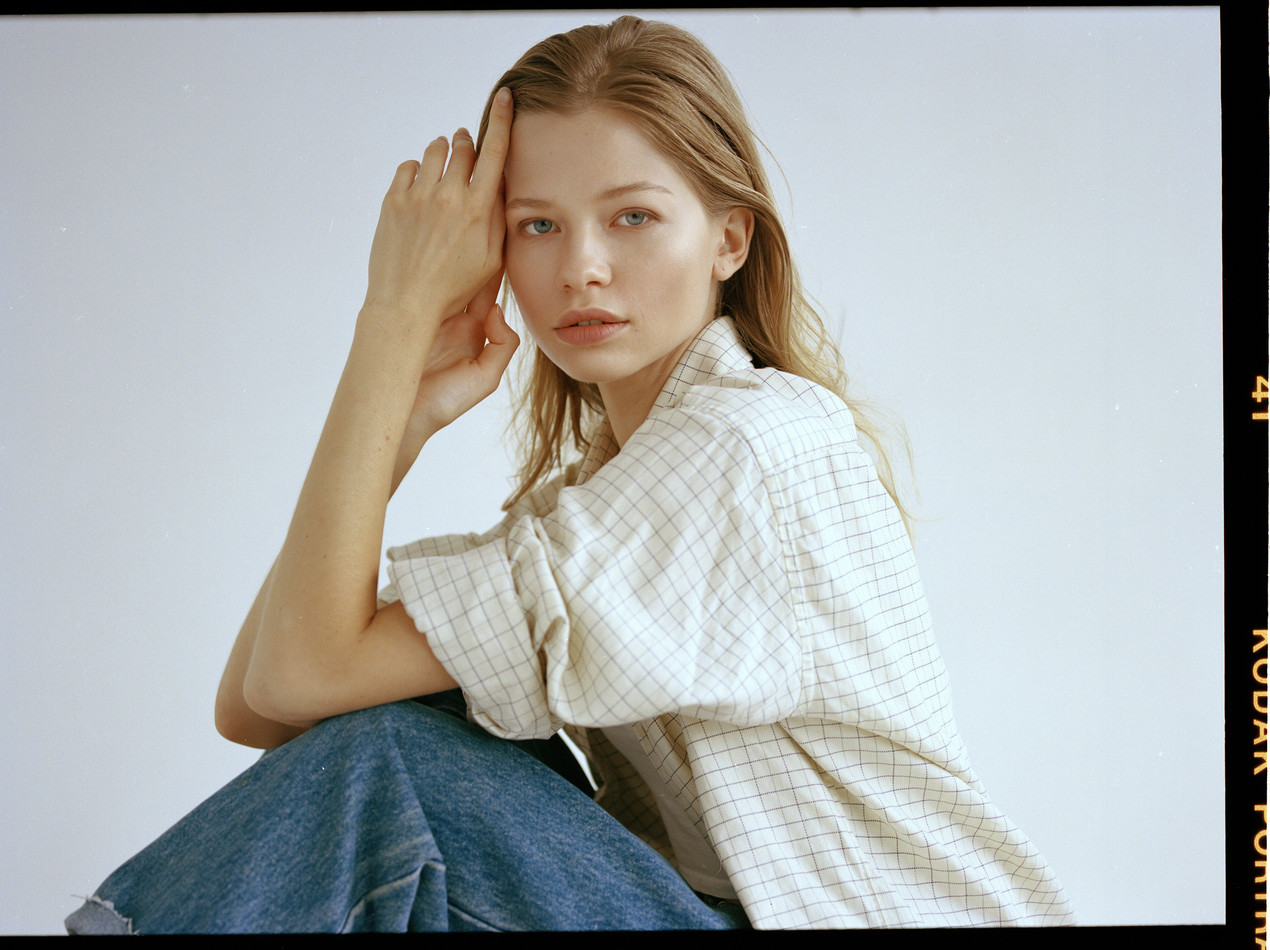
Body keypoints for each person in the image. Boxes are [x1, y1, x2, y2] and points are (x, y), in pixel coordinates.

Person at [65, 16, 1074, 932]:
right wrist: (401, 416)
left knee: (395, 757)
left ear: (729, 238)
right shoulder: (611, 488)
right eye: (538, 225)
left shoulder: (740, 450)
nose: (581, 266)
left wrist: (391, 320)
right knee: (414, 716)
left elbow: (294, 677)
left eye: (632, 217)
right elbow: (263, 703)